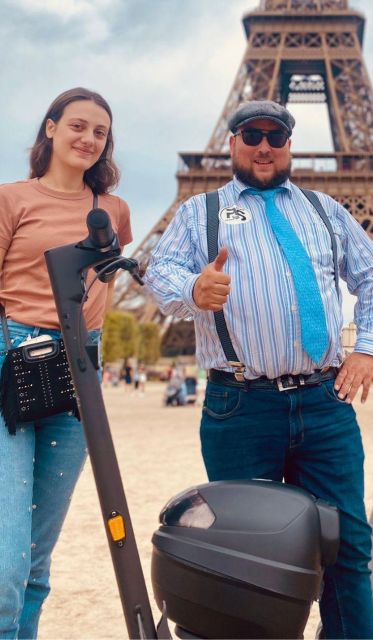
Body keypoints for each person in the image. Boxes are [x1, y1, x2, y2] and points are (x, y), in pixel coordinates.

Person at [145, 100, 373, 639]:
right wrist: (193, 289)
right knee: (243, 554)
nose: (264, 144)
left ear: (289, 145)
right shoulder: (201, 212)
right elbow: (159, 272)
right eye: (251, 134)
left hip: (324, 402)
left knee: (347, 546)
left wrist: (368, 347)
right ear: (231, 142)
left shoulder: (326, 210)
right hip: (240, 405)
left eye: (275, 135)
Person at [0, 87, 132, 638]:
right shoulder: (10, 199)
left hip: (82, 365)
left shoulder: (114, 211)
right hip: (12, 358)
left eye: (99, 132)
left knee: (35, 553)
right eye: (78, 126)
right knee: (5, 554)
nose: (88, 139)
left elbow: (107, 290)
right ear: (50, 128)